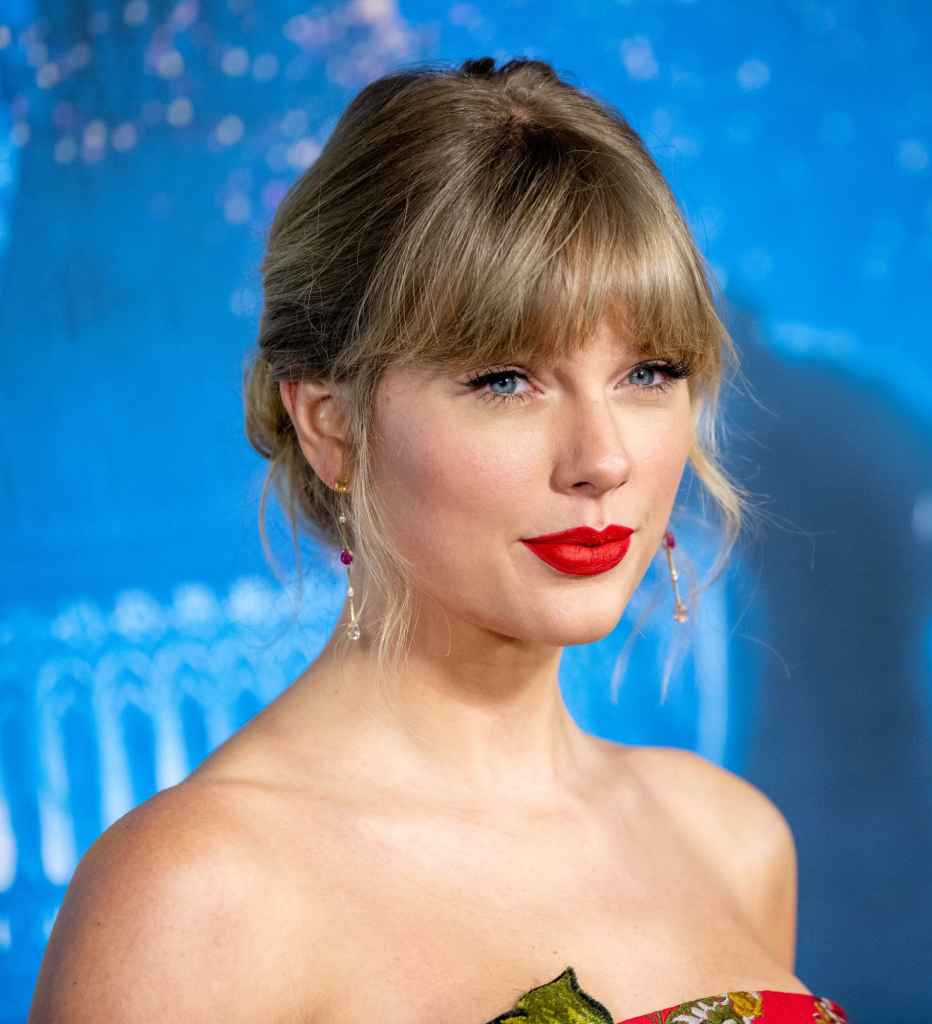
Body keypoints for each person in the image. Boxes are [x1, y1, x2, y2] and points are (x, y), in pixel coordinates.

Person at [29, 56, 848, 1023]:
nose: (602, 459)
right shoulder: (191, 898)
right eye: (505, 380)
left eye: (649, 373)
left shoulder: (732, 842)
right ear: (332, 424)